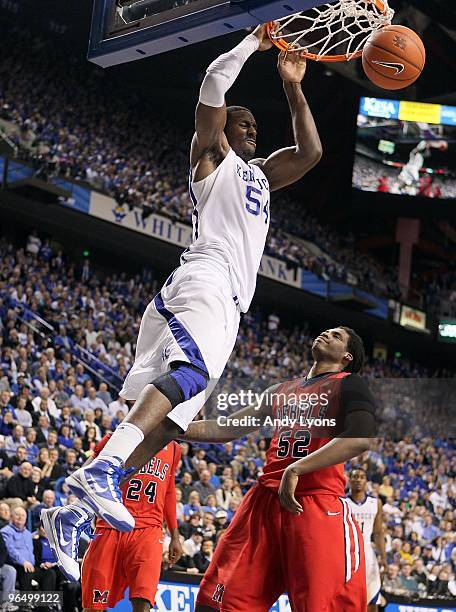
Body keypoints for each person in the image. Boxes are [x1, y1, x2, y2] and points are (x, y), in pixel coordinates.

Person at [64, 23, 322, 533]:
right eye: (242, 123)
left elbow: (310, 153)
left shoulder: (262, 176)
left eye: (254, 128)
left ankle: (71, 512)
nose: (251, 130)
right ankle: (104, 467)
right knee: (190, 378)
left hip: (219, 298)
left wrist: (294, 86)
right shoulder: (211, 157)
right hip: (207, 279)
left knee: (170, 424)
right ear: (223, 129)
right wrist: (254, 43)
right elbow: (212, 83)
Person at [181, 326, 375, 611]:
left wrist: (295, 469)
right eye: (326, 331)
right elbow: (225, 426)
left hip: (314, 503)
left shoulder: (350, 383)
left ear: (347, 355)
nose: (325, 333)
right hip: (264, 502)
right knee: (218, 601)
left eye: (336, 335)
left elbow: (360, 437)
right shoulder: (281, 390)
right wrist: (172, 426)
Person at [42, 432, 183, 612]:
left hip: (149, 531)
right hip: (110, 526)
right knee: (94, 606)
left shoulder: (173, 448)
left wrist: (175, 535)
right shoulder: (116, 437)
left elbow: (169, 491)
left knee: (143, 601)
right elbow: (84, 474)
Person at [346, 466, 386, 612]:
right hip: (347, 554)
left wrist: (383, 557)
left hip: (367, 553)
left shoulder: (375, 503)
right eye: (355, 476)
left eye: (362, 477)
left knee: (372, 598)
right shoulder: (342, 502)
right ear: (349, 480)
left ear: (366, 481)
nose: (358, 479)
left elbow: (378, 532)